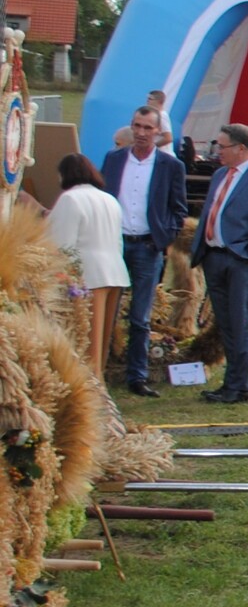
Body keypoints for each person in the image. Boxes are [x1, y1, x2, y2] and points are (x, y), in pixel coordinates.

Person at [190, 124, 248, 405]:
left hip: (241, 261)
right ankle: (234, 383)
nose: (217, 151)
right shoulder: (221, 174)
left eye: (222, 146)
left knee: (241, 323)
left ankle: (240, 385)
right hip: (214, 257)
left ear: (241, 148)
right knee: (225, 324)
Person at [101, 106, 188, 398]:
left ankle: (136, 376)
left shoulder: (170, 166)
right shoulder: (114, 159)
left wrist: (163, 238)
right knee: (106, 311)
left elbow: (178, 208)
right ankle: (99, 368)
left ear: (158, 132)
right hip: (115, 244)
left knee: (140, 316)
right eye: (137, 126)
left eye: (147, 128)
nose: (141, 133)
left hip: (147, 247)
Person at [46, 155, 129, 379]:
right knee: (102, 342)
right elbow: (118, 241)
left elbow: (61, 245)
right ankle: (98, 383)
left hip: (88, 276)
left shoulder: (70, 199)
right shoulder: (109, 199)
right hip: (115, 271)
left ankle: (91, 388)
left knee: (88, 344)